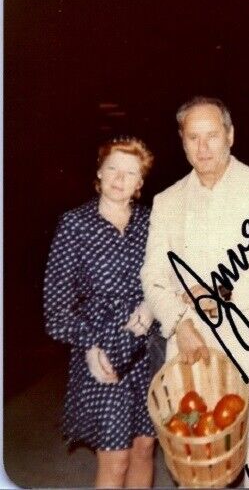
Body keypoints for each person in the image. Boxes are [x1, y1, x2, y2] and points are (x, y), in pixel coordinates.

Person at [141, 96, 249, 488]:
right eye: (193, 138)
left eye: (212, 135)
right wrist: (179, 322)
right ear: (182, 142)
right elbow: (153, 275)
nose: (203, 147)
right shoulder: (167, 201)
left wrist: (223, 291)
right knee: (198, 459)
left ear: (230, 135)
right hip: (192, 352)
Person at [43, 136, 157, 488]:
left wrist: (152, 305)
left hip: (147, 350)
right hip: (102, 352)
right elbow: (55, 307)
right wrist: (90, 347)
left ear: (140, 183)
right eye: (113, 169)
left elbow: (168, 276)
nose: (120, 179)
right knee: (116, 459)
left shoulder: (151, 223)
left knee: (143, 448)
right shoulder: (75, 225)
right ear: (99, 172)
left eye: (130, 172)